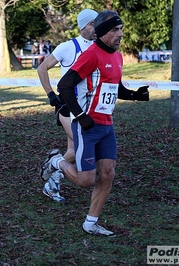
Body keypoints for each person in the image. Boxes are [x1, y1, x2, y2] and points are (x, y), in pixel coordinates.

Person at [40, 10, 149, 236]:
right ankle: (57, 162)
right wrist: (80, 116)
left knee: (108, 173)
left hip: (107, 126)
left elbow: (114, 87)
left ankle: (91, 222)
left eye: (121, 29)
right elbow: (65, 86)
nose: (120, 34)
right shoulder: (91, 55)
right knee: (85, 180)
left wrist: (135, 95)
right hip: (86, 126)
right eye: (114, 30)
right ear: (101, 33)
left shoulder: (117, 56)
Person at [38, 9, 98, 169]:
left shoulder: (98, 48)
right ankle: (52, 168)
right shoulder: (67, 47)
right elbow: (42, 68)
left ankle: (52, 172)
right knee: (84, 144)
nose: (96, 28)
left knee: (72, 150)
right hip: (67, 106)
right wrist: (50, 94)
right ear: (82, 26)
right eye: (92, 24)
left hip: (87, 106)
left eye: (97, 23)